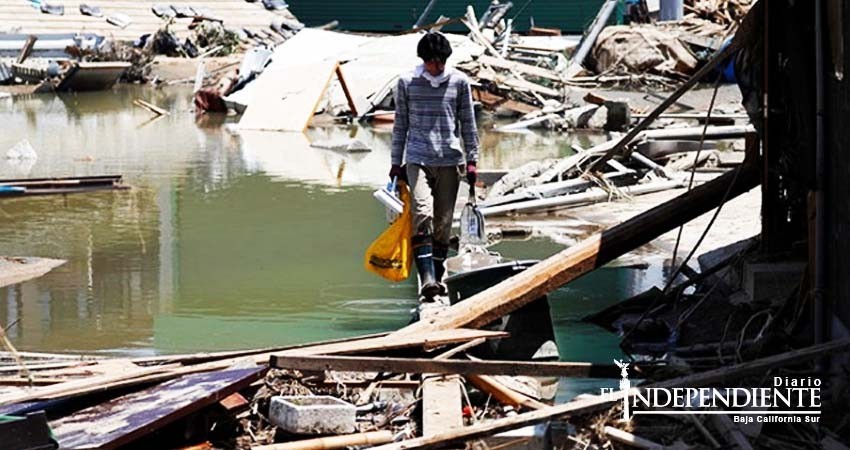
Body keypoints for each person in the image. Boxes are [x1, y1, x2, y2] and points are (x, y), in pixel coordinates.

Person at [390, 32, 480, 300]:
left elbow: (468, 123)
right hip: (417, 157)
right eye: (432, 61)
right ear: (423, 60)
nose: (437, 66)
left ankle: (437, 277)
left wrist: (472, 159)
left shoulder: (459, 82)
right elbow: (400, 125)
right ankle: (427, 279)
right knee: (422, 213)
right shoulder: (407, 82)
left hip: (450, 160)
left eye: (441, 61)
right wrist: (395, 162)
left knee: (443, 223)